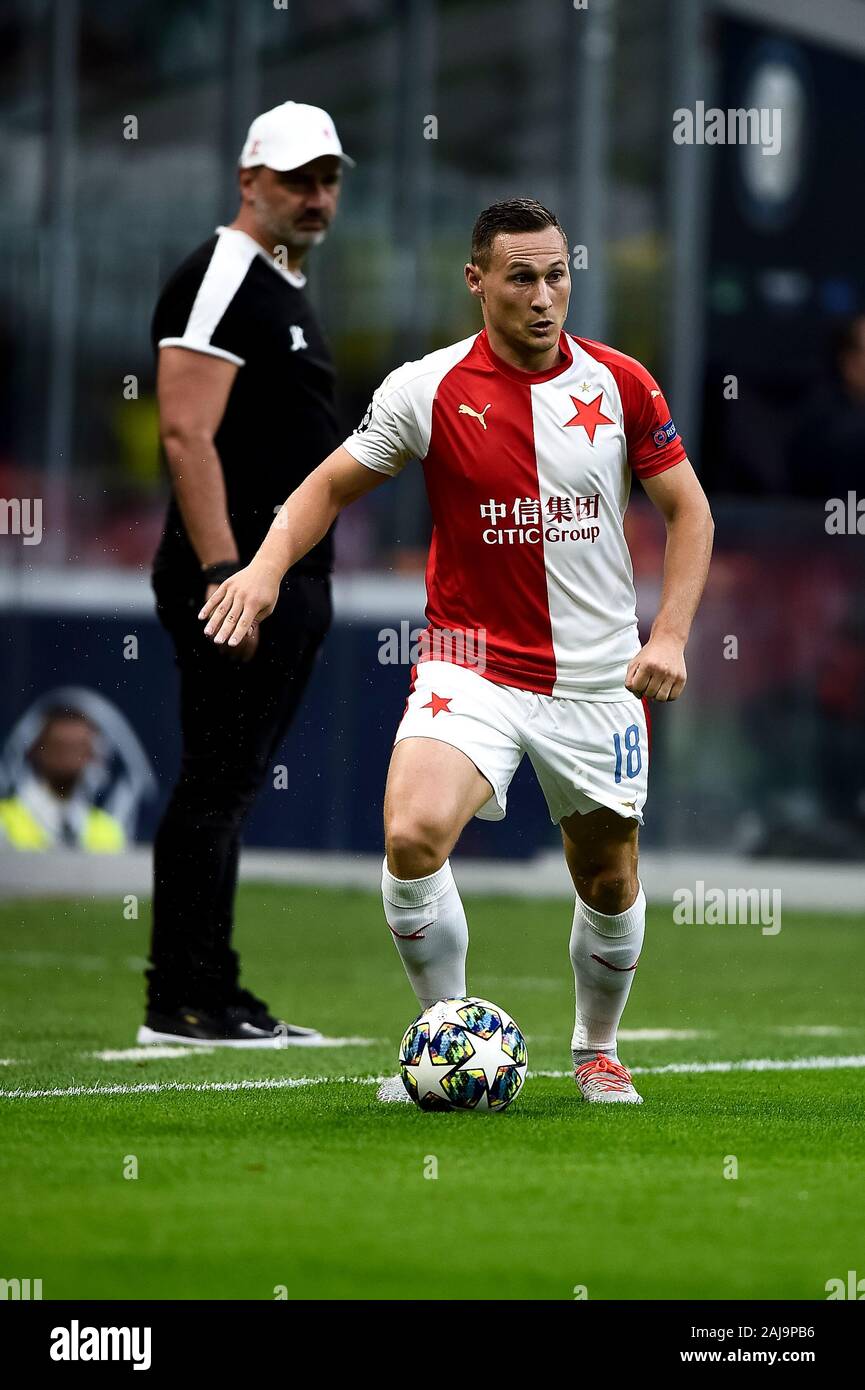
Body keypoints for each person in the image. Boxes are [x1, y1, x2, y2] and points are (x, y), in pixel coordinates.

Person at [200, 198, 714, 1102]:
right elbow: (325, 485)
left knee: (607, 874)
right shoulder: (425, 388)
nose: (543, 295)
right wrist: (264, 570)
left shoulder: (621, 384)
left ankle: (596, 1047)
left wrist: (668, 632)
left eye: (556, 274)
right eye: (521, 276)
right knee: (410, 835)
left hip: (596, 676)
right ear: (476, 281)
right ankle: (445, 1036)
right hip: (467, 661)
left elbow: (689, 511)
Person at [142, 102, 354, 1047]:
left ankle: (214, 991)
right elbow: (185, 431)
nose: (316, 196)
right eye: (297, 179)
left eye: (328, 179)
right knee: (213, 782)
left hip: (278, 576)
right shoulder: (223, 272)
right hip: (237, 577)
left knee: (229, 784)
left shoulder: (275, 281)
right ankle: (180, 999)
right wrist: (230, 572)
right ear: (248, 181)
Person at [0, 707, 124, 852]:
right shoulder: (4, 820)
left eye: (78, 749)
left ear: (91, 756)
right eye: (60, 748)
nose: (69, 759)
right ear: (37, 751)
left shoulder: (107, 829)